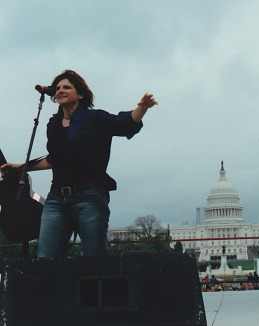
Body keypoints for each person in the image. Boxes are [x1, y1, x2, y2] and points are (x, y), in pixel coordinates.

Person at [0, 70, 157, 257]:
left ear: (80, 94)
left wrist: (143, 108)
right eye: (57, 88)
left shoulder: (95, 118)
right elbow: (55, 159)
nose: (60, 90)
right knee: (45, 258)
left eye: (67, 87)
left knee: (94, 260)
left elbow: (124, 123)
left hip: (89, 196)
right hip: (56, 198)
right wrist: (20, 167)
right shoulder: (54, 124)